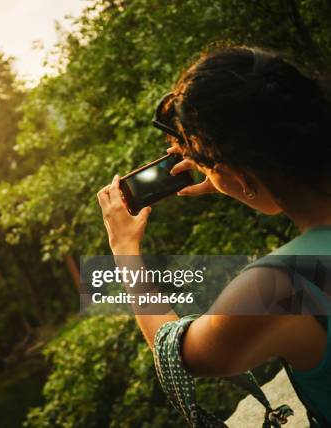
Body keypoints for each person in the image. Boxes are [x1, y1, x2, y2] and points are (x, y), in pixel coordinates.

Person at [97, 45, 331, 425]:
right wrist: (236, 178)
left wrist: (124, 249)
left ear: (239, 175)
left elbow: (174, 349)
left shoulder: (280, 287)